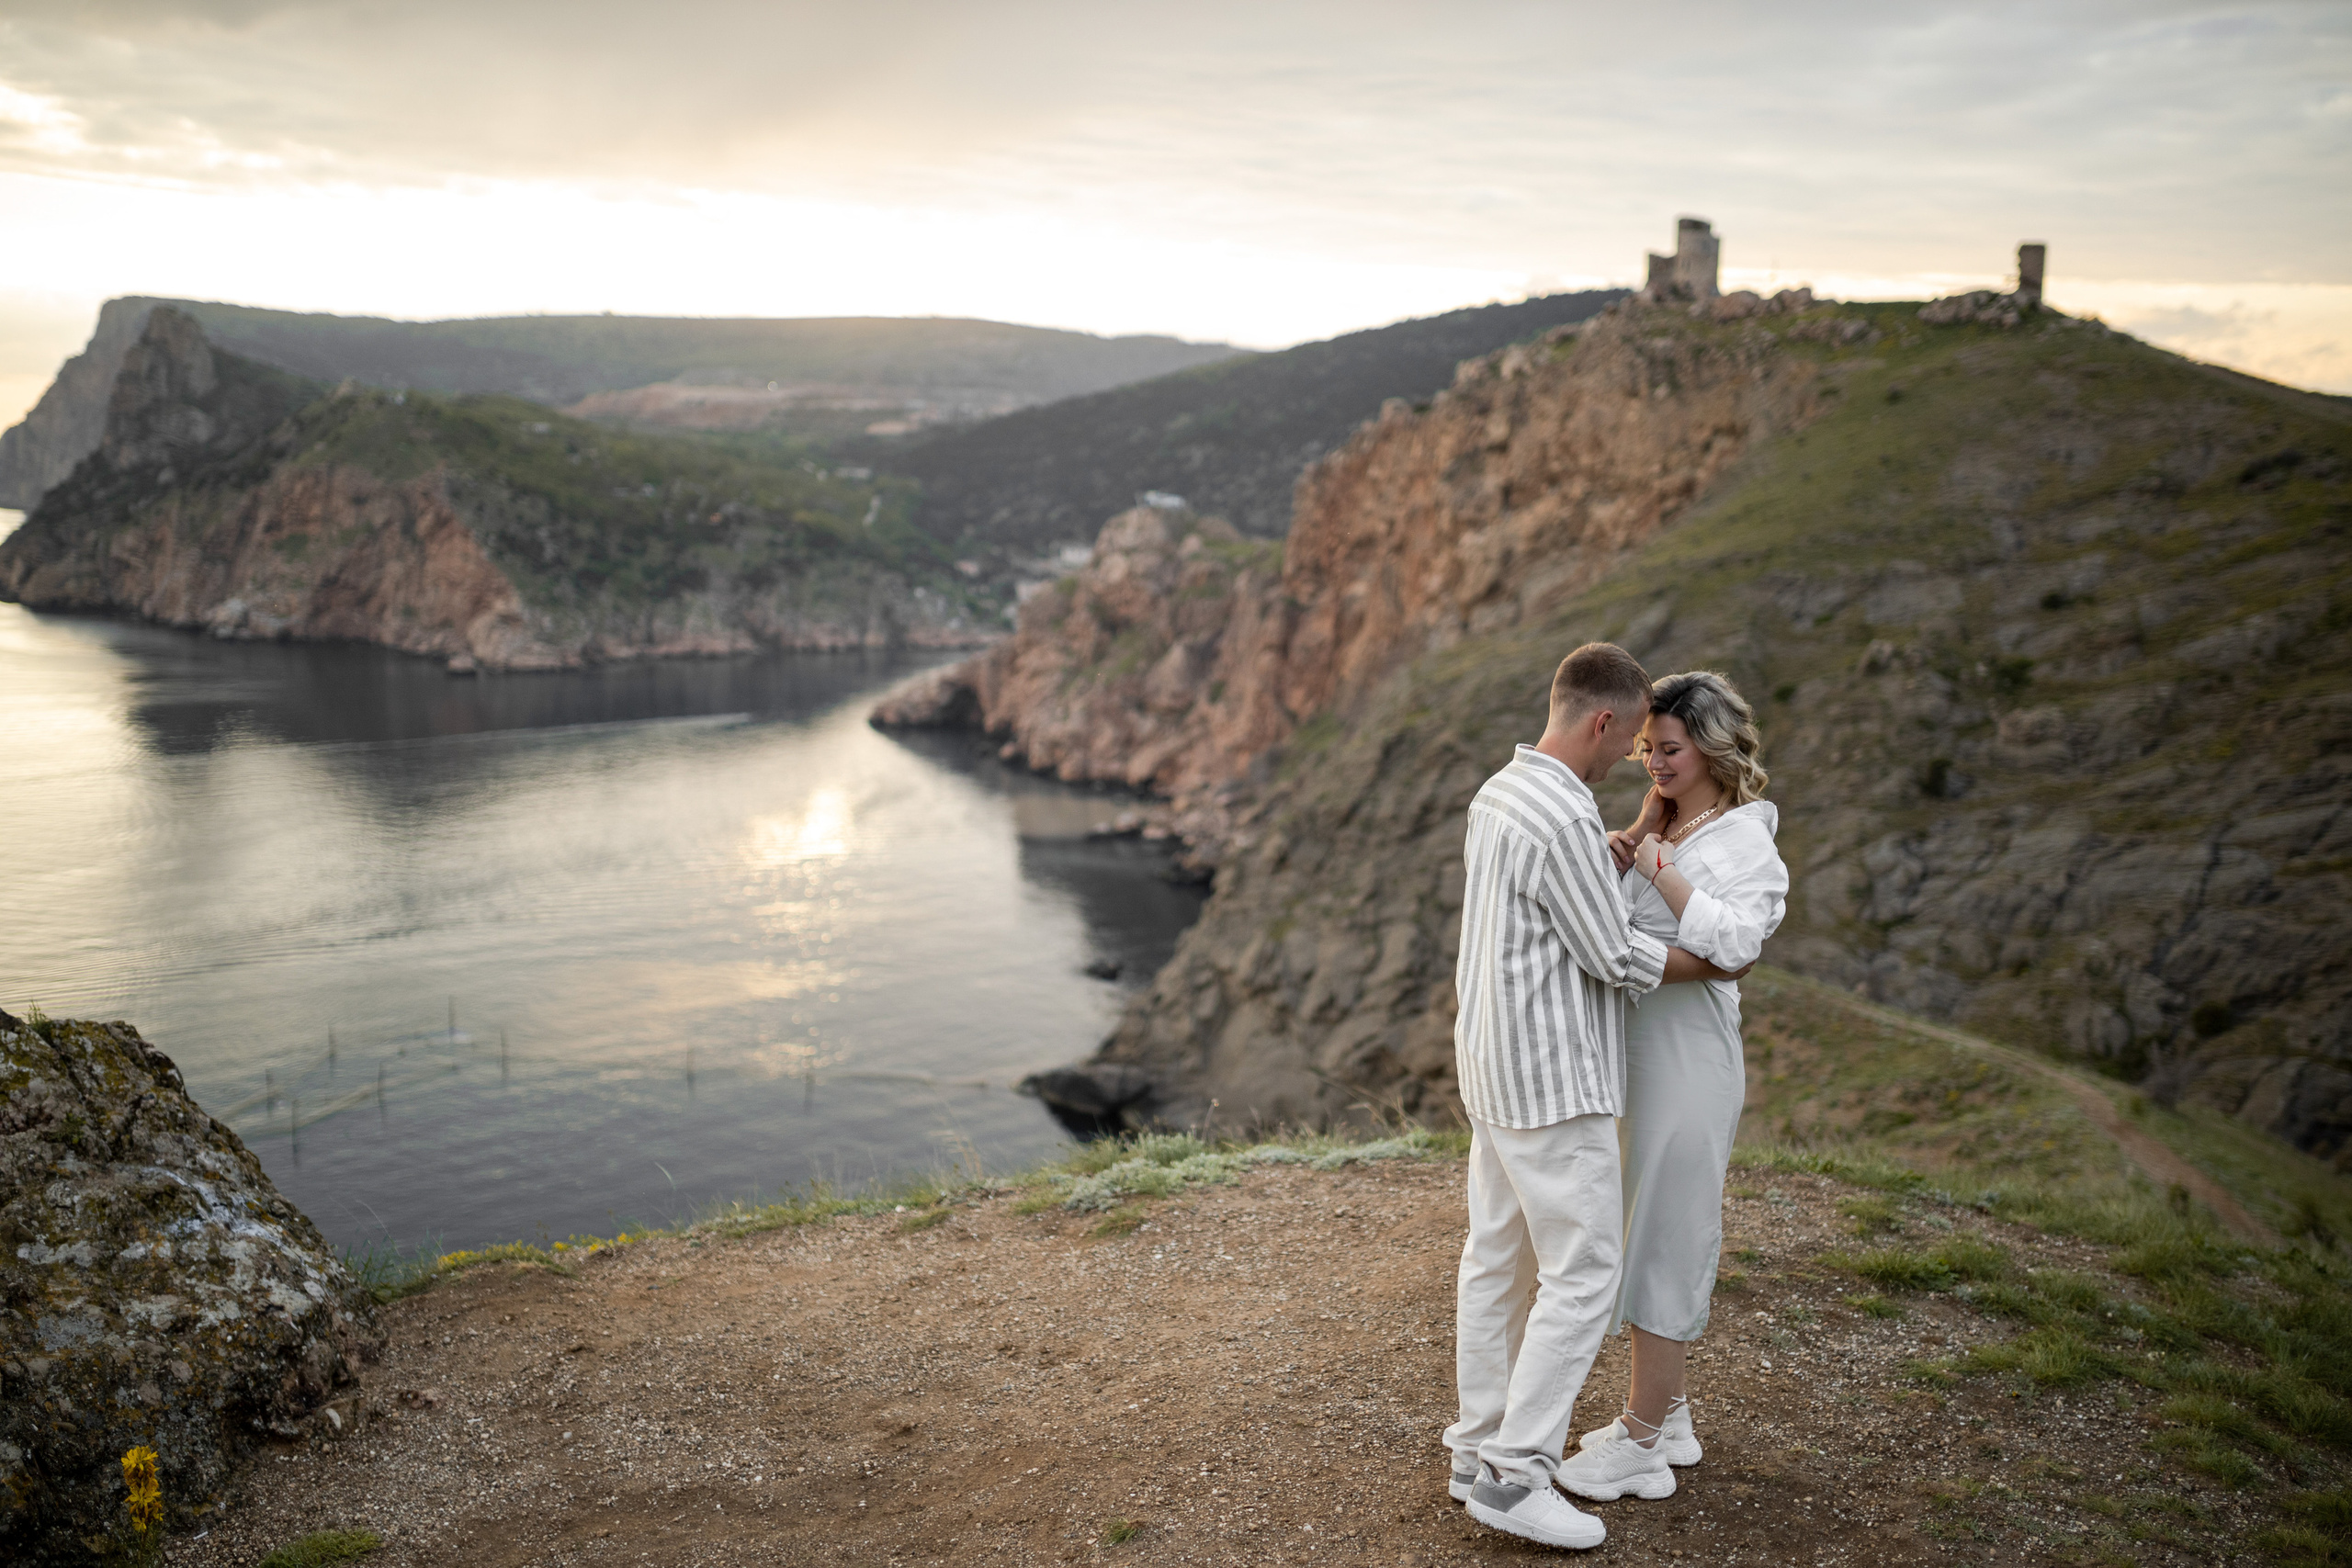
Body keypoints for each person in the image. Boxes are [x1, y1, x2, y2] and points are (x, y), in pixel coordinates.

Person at [1444, 644, 1749, 1551]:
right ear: (1605, 722)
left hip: (1491, 1069)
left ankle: (1475, 1448)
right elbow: (1612, 955)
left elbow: (1557, 918)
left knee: (1496, 1264)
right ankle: (1514, 1476)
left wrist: (1620, 849)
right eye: (1628, 748)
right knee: (1582, 1280)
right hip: (1552, 1082)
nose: (1632, 763)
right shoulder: (1562, 817)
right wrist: (1712, 959)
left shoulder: (1500, 793)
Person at [1555, 669, 1789, 1504]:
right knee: (1642, 1218)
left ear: (1713, 748)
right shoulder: (1673, 823)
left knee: (1666, 1231)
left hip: (1689, 1056)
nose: (1651, 760)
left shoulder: (1741, 842)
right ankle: (1674, 1412)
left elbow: (1737, 943)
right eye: (1647, 747)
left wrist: (1658, 866)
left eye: (1670, 748)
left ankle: (1642, 1438)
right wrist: (1640, 839)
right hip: (1641, 1051)